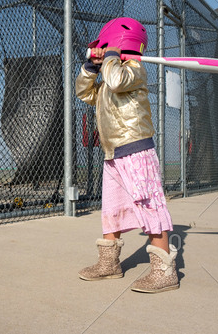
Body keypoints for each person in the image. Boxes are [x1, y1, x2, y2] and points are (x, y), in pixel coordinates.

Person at [75, 17, 178, 293]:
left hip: (136, 149)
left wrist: (108, 57)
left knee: (149, 205)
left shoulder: (134, 69)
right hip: (113, 152)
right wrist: (90, 67)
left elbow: (117, 80)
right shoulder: (108, 76)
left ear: (117, 44)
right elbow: (84, 92)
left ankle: (164, 271)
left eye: (106, 46)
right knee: (112, 207)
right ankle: (109, 264)